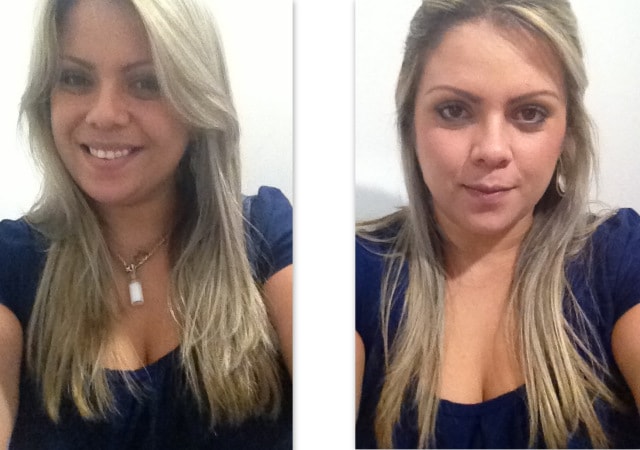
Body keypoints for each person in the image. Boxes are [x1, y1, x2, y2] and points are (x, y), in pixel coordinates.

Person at [0, 0, 293, 448]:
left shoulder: (265, 234)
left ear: (197, 104)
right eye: (75, 78)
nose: (104, 114)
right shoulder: (12, 261)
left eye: (146, 83)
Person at [355, 0, 640, 448]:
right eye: (454, 110)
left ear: (567, 132)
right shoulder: (352, 270)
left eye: (530, 113)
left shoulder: (618, 259)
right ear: (410, 122)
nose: (491, 150)